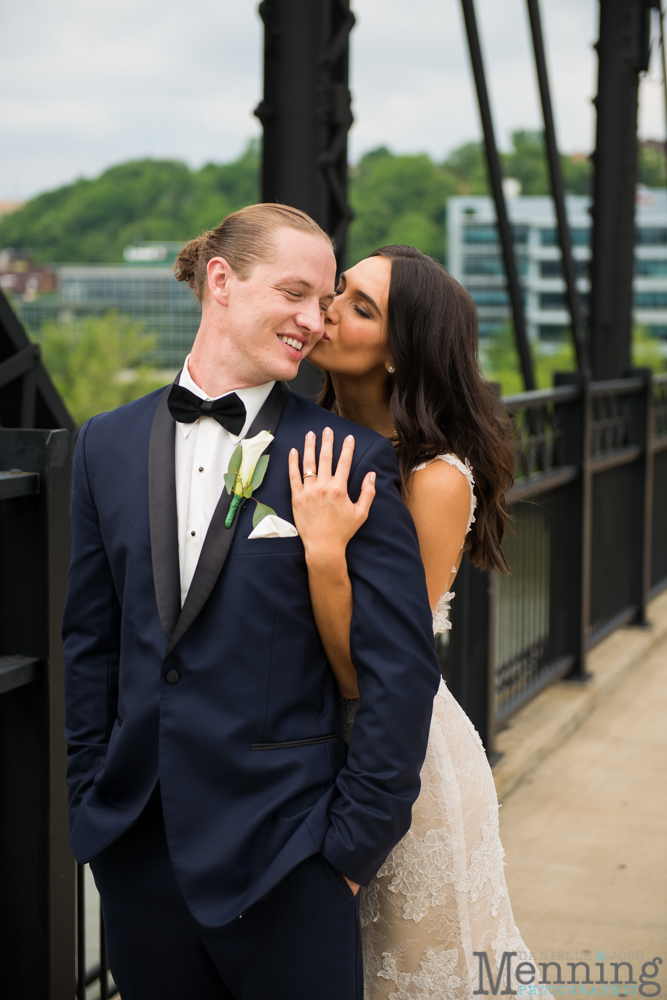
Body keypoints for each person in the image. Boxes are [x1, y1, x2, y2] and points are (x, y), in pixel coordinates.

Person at [62, 206, 442, 1000]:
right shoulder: (105, 443)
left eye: (327, 300)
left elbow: (399, 676)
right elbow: (90, 644)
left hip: (289, 860)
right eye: (295, 294)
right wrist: (92, 806)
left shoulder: (351, 458)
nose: (315, 322)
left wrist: (346, 856)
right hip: (138, 857)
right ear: (222, 281)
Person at [288, 244, 532, 998]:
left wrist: (325, 554)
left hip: (395, 760)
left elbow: (373, 668)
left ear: (401, 353)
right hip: (297, 745)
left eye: (359, 307)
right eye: (337, 290)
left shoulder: (434, 479)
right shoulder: (296, 435)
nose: (327, 309)